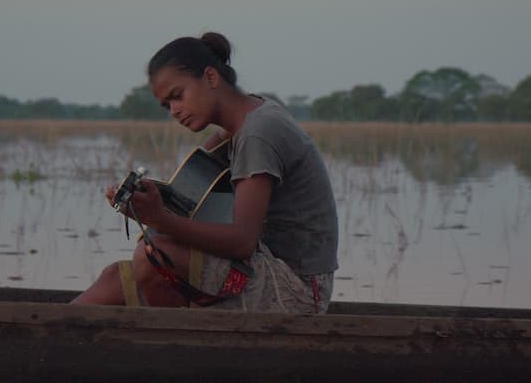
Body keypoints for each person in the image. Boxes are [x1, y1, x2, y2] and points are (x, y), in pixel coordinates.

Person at [71, 32, 338, 313]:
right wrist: (145, 203)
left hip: (300, 291)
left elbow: (242, 242)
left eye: (178, 96)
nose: (174, 111)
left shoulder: (258, 133)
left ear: (211, 78)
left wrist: (159, 217)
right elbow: (188, 200)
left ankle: (185, 349)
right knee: (114, 278)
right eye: (167, 105)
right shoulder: (237, 127)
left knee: (153, 257)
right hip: (264, 268)